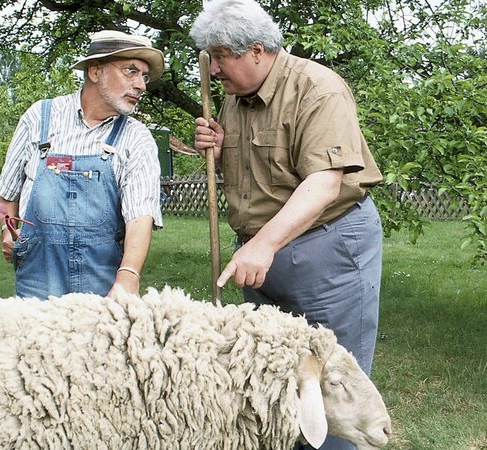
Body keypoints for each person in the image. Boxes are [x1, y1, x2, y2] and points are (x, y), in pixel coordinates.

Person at [191, 1, 383, 449]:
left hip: (326, 247)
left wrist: (263, 244)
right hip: (261, 254)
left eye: (220, 57)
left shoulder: (319, 89)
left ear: (256, 50)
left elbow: (323, 183)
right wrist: (220, 148)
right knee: (275, 376)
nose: (214, 69)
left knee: (329, 373)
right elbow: (259, 170)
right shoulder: (235, 97)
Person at [0, 30, 164, 299]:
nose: (141, 85)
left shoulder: (137, 137)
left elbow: (140, 216)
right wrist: (7, 229)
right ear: (95, 72)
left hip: (103, 280)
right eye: (130, 71)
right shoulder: (40, 118)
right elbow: (7, 194)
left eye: (143, 76)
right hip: (38, 279)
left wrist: (129, 275)